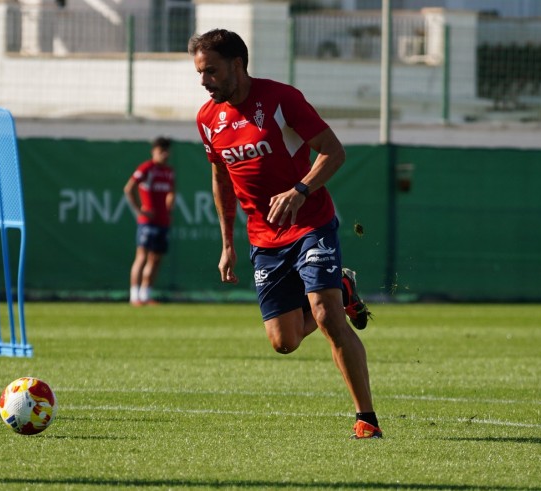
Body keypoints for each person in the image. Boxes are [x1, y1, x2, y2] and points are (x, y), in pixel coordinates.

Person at [188, 29, 381, 439]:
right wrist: (227, 244)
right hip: (263, 238)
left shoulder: (281, 99)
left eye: (211, 72)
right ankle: (343, 288)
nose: (204, 81)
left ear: (237, 64)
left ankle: (367, 419)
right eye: (200, 73)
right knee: (284, 342)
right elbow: (221, 180)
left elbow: (334, 150)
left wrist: (301, 190)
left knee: (327, 316)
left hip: (311, 222)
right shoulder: (208, 120)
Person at [124, 136, 176, 306]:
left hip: (163, 221)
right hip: (147, 221)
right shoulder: (147, 168)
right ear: (153, 152)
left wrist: (169, 205)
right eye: (161, 151)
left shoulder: (169, 172)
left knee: (156, 258)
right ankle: (134, 296)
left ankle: (146, 294)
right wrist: (139, 210)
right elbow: (129, 188)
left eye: (167, 151)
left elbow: (171, 192)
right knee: (142, 257)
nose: (165, 154)